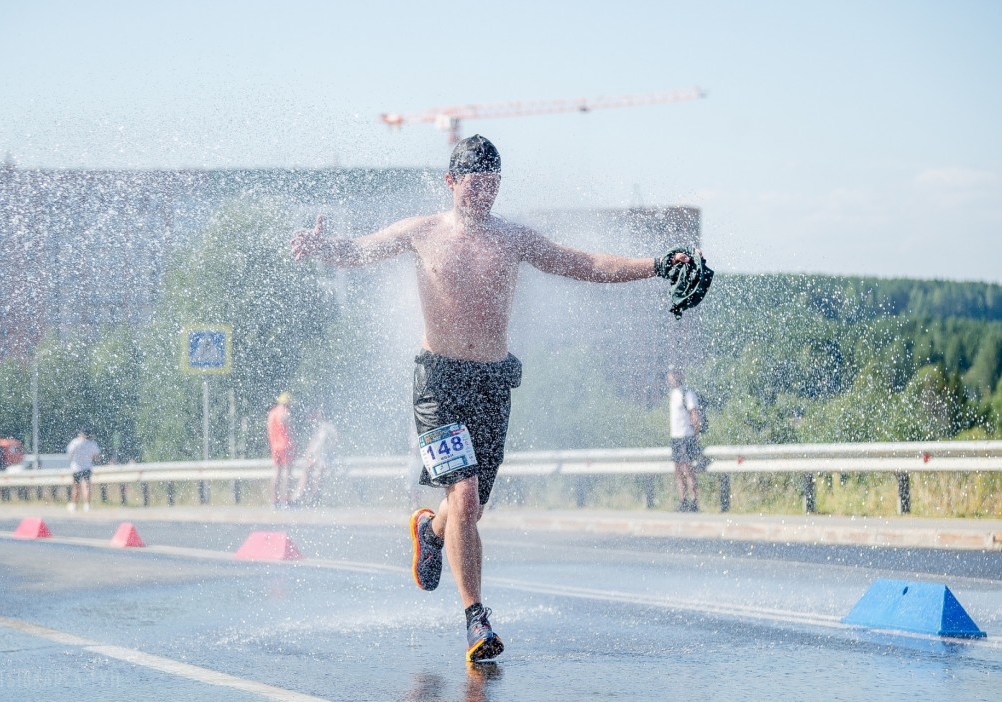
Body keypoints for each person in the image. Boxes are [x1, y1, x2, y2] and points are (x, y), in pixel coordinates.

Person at [291, 134, 702, 662]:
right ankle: (476, 620)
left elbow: (583, 263)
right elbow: (360, 251)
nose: (482, 194)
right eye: (473, 183)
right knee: (462, 497)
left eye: (492, 184)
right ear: (451, 181)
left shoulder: (513, 239)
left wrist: (655, 265)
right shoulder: (422, 232)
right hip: (437, 384)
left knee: (470, 509)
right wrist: (325, 249)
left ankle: (429, 530)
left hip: (491, 383)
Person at [666, 368, 704, 512]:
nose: (670, 377)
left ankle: (694, 501)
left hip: (686, 436)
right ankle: (683, 501)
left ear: (679, 375)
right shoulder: (673, 394)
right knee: (678, 471)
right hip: (675, 437)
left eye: (673, 374)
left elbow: (694, 415)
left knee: (688, 470)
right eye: (669, 374)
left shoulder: (687, 393)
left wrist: (695, 435)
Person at [290, 408, 338, 506]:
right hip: (320, 456)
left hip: (324, 456)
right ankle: (304, 496)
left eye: (320, 414)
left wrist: (314, 455)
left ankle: (311, 496)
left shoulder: (327, 427)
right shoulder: (324, 427)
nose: (318, 416)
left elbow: (325, 443)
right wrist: (309, 455)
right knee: (309, 471)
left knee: (316, 472)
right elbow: (316, 442)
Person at [267, 392, 296, 508]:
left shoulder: (272, 413)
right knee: (287, 473)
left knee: (276, 474)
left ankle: (274, 501)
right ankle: (286, 500)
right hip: (286, 445)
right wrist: (295, 442)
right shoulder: (285, 413)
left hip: (275, 446)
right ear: (288, 403)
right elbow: (290, 430)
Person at [66, 430, 100, 513]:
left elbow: (70, 453)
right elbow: (97, 456)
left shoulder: (75, 442)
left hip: (76, 467)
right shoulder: (92, 443)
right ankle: (87, 505)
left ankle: (74, 505)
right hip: (87, 467)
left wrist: (71, 462)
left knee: (75, 487)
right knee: (86, 486)